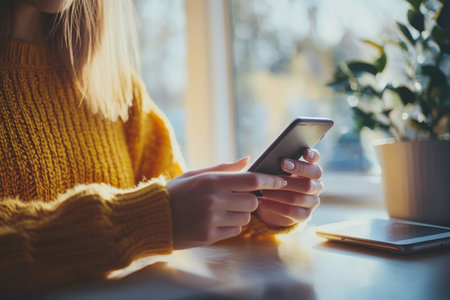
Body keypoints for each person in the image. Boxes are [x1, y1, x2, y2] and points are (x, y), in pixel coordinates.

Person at [0, 0, 324, 294]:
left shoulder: (114, 88)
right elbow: (158, 214)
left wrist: (260, 208)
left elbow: (180, 211)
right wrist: (149, 219)